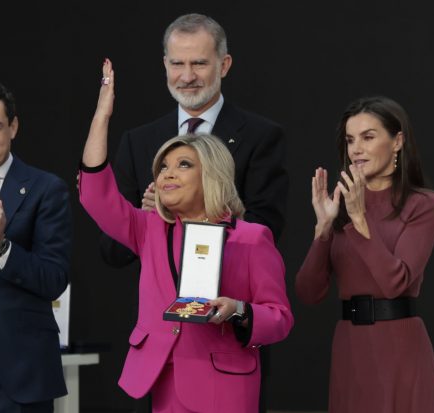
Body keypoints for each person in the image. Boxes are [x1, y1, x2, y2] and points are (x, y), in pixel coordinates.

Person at [80, 60, 293, 413]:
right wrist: (102, 115)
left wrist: (238, 310)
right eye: (162, 166)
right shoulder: (149, 230)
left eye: (183, 165)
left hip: (225, 388)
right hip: (162, 384)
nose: (167, 174)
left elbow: (280, 318)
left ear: (212, 174)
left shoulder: (252, 239)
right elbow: (95, 196)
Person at [101, 12, 287, 268]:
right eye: (178, 64)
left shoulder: (261, 136)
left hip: (229, 298)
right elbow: (112, 252)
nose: (187, 77)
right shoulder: (138, 142)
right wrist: (143, 217)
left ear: (224, 64)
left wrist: (180, 210)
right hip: (159, 303)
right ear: (165, 64)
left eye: (199, 63)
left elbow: (265, 233)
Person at [295, 96, 434, 413]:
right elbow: (308, 292)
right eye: (350, 140)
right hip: (349, 348)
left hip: (400, 348)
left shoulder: (423, 204)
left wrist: (360, 220)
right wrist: (323, 229)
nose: (356, 149)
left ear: (398, 141)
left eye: (368, 137)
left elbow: (395, 283)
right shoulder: (341, 205)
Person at [0, 81, 72, 411]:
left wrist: (2, 248)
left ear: (13, 127)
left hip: (18, 373)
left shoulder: (46, 189)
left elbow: (53, 278)